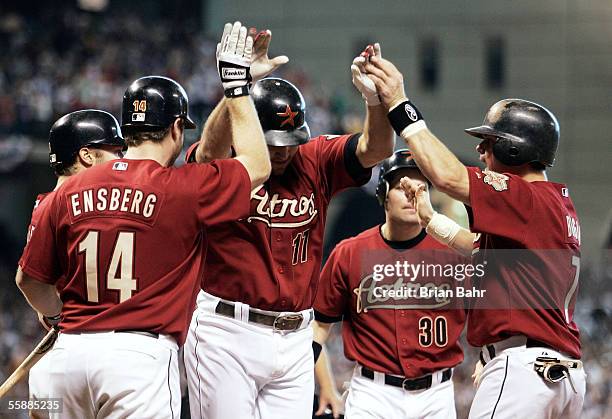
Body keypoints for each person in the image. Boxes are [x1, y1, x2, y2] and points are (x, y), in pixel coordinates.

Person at [17, 22, 270, 419]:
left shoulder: (64, 191)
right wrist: (236, 86)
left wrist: (55, 314)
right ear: (175, 129)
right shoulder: (182, 188)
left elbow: (29, 280)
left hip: (63, 363)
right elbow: (257, 164)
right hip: (137, 361)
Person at [362, 52, 586, 418]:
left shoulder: (524, 198)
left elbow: (447, 175)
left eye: (491, 142)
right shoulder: (557, 205)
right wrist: (431, 220)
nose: (481, 150)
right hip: (562, 375)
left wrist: (400, 105)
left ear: (515, 148)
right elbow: (480, 248)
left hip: (524, 370)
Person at [183, 38, 395, 418]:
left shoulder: (315, 159)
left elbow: (375, 149)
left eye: (289, 141)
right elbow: (207, 154)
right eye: (271, 142)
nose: (281, 151)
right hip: (228, 330)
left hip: (296, 335)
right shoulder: (230, 164)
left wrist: (375, 102)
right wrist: (237, 87)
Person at [312, 149, 467, 419]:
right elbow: (318, 327)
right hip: (373, 393)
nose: (412, 196)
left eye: (420, 189)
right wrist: (326, 386)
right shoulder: (350, 252)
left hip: (437, 395)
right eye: (401, 187)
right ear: (382, 195)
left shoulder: (453, 255)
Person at [16, 109, 126, 413]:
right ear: (87, 155)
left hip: (69, 352)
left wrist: (54, 315)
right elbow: (28, 281)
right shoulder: (102, 202)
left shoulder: (49, 204)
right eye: (114, 151)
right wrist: (56, 315)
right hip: (117, 350)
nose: (120, 158)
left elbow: (31, 282)